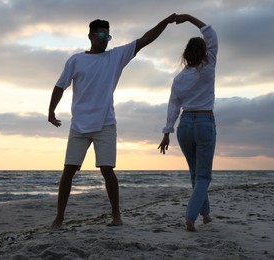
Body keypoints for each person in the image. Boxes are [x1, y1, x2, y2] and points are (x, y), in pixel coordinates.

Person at [48, 14, 177, 229]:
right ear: (90, 36)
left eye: (108, 36)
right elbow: (60, 86)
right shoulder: (76, 60)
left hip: (105, 124)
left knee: (107, 170)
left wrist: (166, 21)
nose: (104, 38)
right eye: (100, 34)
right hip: (79, 125)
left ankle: (116, 215)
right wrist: (51, 112)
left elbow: (146, 39)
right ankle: (59, 218)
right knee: (68, 171)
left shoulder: (115, 57)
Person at [158, 14, 218, 231]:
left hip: (184, 127)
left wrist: (167, 132)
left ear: (185, 55)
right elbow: (211, 33)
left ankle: (206, 215)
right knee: (203, 176)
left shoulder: (179, 79)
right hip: (203, 122)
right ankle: (190, 217)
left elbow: (173, 106)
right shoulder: (208, 66)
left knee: (195, 174)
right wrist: (188, 18)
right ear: (204, 53)